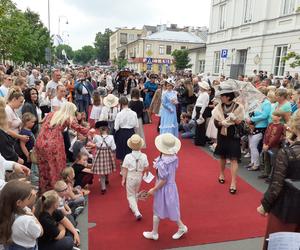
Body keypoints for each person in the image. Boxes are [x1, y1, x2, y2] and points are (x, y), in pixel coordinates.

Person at [257, 111, 300, 250]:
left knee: (279, 245)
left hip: (287, 209)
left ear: (294, 126)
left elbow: (276, 185)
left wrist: (264, 206)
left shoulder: (287, 153)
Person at [35, 102, 90, 193]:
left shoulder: (51, 113)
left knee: (44, 168)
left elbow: (42, 122)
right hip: (54, 143)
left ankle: (45, 191)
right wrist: (89, 130)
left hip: (40, 141)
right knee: (57, 168)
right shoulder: (67, 117)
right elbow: (80, 129)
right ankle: (58, 193)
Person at [143, 133, 187, 240]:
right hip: (171, 186)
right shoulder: (174, 157)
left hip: (163, 187)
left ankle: (156, 232)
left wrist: (154, 189)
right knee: (172, 208)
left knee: (158, 208)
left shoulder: (162, 162)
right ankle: (179, 227)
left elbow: (163, 179)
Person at [212, 80, 245, 194]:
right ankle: (221, 173)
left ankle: (233, 182)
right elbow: (215, 122)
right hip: (222, 134)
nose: (221, 97)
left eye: (223, 95)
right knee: (222, 156)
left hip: (233, 136)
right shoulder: (218, 107)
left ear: (228, 97)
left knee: (234, 158)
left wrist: (234, 119)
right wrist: (221, 123)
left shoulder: (238, 107)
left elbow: (241, 124)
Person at [0, 180, 42, 250]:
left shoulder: (4, 210)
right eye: (29, 197)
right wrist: (32, 215)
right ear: (19, 202)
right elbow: (40, 232)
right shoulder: (27, 219)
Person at [122, 134, 149, 220]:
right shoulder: (144, 156)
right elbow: (146, 167)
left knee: (130, 194)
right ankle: (133, 205)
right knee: (136, 192)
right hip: (139, 176)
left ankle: (136, 211)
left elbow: (125, 169)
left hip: (131, 176)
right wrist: (146, 173)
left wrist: (123, 179)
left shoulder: (128, 156)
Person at [246, 94, 272, 171]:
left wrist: (252, 119)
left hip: (261, 126)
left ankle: (256, 165)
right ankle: (252, 162)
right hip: (252, 126)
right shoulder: (258, 102)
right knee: (251, 145)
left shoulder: (267, 103)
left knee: (253, 146)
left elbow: (265, 115)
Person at [92, 121, 116, 194]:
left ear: (99, 130)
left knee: (101, 171)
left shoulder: (96, 137)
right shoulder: (111, 137)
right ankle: (107, 179)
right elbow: (114, 147)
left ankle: (103, 188)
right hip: (108, 154)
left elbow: (93, 143)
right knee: (107, 167)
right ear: (107, 129)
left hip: (99, 154)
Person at [260, 111, 286, 180]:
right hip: (266, 145)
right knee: (266, 159)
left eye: (275, 115)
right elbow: (266, 134)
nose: (273, 116)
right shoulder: (270, 124)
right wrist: (264, 143)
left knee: (273, 161)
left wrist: (268, 145)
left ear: (279, 117)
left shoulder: (280, 126)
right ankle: (266, 173)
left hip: (274, 146)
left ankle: (272, 176)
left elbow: (276, 138)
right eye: (273, 115)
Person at [114, 96, 139, 163]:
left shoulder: (119, 114)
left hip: (121, 133)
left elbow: (116, 127)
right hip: (131, 132)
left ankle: (123, 165)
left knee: (122, 151)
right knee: (131, 150)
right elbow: (136, 126)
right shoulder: (134, 113)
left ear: (120, 104)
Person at [192, 81, 210, 146]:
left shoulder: (206, 94)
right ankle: (197, 141)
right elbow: (197, 103)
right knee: (198, 125)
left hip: (202, 111)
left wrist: (201, 113)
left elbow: (204, 105)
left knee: (201, 126)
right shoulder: (201, 93)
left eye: (200, 87)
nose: (199, 87)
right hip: (198, 110)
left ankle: (201, 141)